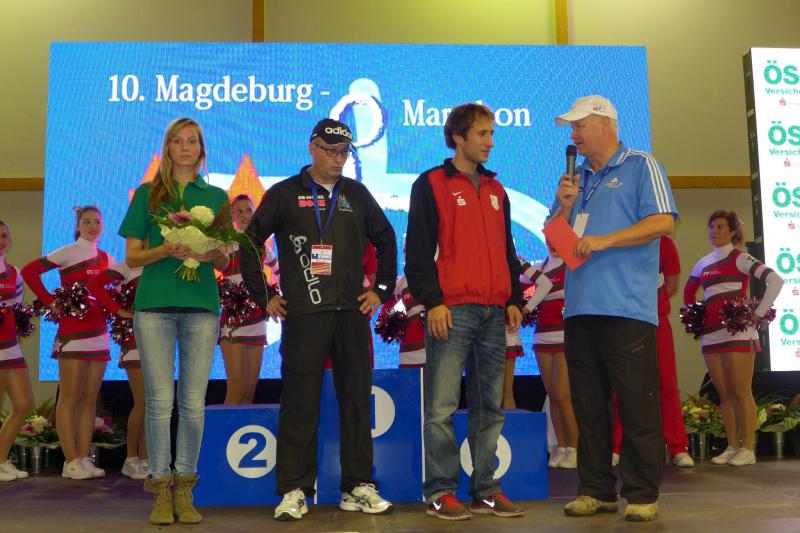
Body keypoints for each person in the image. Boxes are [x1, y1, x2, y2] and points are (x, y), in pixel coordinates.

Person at [239, 118, 398, 521]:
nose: (338, 159)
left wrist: (380, 290)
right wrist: (265, 295)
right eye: (331, 151)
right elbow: (250, 242)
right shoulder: (285, 194)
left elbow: (386, 238)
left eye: (344, 152)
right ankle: (294, 489)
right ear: (312, 147)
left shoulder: (356, 194)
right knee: (299, 402)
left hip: (351, 313)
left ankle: (357, 486)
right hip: (304, 314)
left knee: (357, 402)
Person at [551, 95, 677, 522]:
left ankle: (642, 493)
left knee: (637, 405)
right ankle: (596, 490)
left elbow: (664, 221)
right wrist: (564, 208)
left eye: (579, 126)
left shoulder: (641, 165)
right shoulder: (575, 178)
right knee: (588, 406)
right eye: (571, 128)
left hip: (627, 308)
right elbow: (557, 244)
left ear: (604, 123)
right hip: (579, 308)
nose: (573, 135)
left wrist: (605, 240)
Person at [405, 102, 524, 521]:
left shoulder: (496, 189)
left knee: (490, 407)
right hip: (451, 310)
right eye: (482, 134)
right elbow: (417, 251)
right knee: (440, 407)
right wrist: (433, 301)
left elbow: (507, 249)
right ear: (458, 137)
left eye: (492, 134)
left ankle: (485, 490)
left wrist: (514, 298)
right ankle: (440, 491)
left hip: (494, 311)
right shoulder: (431, 183)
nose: (490, 142)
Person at [119, 117, 230, 525]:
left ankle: (185, 487)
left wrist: (211, 255)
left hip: (201, 305)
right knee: (160, 401)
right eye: (178, 141)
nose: (185, 148)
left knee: (194, 402)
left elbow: (226, 258)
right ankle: (160, 489)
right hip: (154, 305)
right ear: (167, 148)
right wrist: (164, 250)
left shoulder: (216, 196)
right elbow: (133, 256)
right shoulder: (148, 195)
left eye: (192, 141)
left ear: (201, 149)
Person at [683, 210, 783, 466]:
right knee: (724, 394)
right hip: (711, 336)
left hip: (738, 333)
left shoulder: (741, 259)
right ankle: (731, 446)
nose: (714, 231)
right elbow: (688, 291)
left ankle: (747, 449)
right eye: (711, 227)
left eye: (720, 227)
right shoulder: (702, 263)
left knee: (740, 391)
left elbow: (775, 280)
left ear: (732, 231)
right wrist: (697, 315)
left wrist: (759, 313)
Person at [21, 206, 112, 481]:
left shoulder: (107, 258)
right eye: (87, 221)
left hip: (99, 333)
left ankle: (83, 458)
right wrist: (51, 302)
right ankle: (70, 460)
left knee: (90, 398)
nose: (93, 226)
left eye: (97, 222)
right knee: (70, 396)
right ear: (77, 226)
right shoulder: (69, 252)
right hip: (73, 333)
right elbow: (29, 272)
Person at [612, 236, 693, 468]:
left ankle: (678, 447)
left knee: (666, 383)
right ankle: (617, 446)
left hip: (657, 320)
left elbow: (672, 286)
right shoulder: (620, 237)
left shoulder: (664, 243)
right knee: (621, 385)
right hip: (624, 321)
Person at [87, 261, 149, 479]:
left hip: (159, 340)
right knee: (144, 401)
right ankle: (131, 459)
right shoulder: (128, 266)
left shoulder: (163, 264)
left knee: (155, 403)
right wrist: (118, 310)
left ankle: (147, 459)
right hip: (134, 340)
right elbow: (95, 285)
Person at [521, 247, 579, 469]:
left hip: (565, 335)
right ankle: (561, 447)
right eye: (548, 236)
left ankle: (574, 448)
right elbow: (515, 283)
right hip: (542, 336)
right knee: (553, 396)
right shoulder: (539, 267)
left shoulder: (572, 264)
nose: (551, 242)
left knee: (564, 396)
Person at [219, 194, 279, 404]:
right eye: (239, 211)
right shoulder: (226, 240)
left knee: (249, 391)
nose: (245, 214)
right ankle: (226, 427)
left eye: (249, 210)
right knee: (236, 390)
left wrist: (277, 296)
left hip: (257, 318)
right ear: (232, 216)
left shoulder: (261, 243)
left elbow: (278, 270)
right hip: (234, 318)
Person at [0, 221, 34, 482]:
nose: (1, 241)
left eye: (4, 236)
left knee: (23, 405)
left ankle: (1, 460)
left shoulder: (14, 272)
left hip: (11, 347)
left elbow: (17, 308)